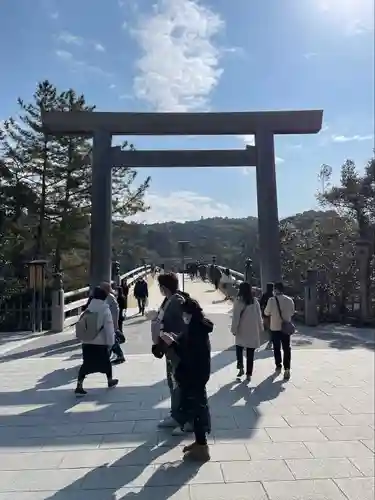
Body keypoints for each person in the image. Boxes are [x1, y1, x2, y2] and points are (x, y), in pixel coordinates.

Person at [153, 296, 213, 461]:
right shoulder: (197, 326)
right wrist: (175, 340)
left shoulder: (195, 330)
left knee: (197, 410)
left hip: (194, 375)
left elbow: (189, 355)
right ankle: (200, 443)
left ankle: (202, 447)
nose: (183, 318)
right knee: (196, 408)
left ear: (190, 314)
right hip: (196, 374)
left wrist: (172, 344)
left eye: (185, 314)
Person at [151, 272, 193, 435]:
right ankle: (176, 415)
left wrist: (174, 338)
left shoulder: (176, 301)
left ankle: (185, 418)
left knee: (179, 383)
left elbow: (184, 326)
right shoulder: (169, 300)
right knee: (173, 382)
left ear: (164, 287)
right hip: (169, 348)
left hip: (177, 349)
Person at [75, 286, 118, 396]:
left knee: (86, 364)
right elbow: (109, 327)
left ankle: (79, 384)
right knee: (106, 363)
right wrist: (111, 342)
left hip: (87, 341)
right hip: (100, 342)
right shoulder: (104, 309)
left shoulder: (88, 308)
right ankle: (110, 380)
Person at [231, 282, 263, 381]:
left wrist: (234, 329)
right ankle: (249, 374)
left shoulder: (239, 301)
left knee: (239, 348)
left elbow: (236, 317)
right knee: (250, 352)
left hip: (242, 329)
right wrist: (260, 328)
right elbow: (259, 316)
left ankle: (240, 368)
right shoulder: (254, 301)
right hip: (253, 330)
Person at [264, 282, 295, 380]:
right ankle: (287, 369)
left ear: (275, 290)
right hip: (286, 328)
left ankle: (278, 366)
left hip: (275, 328)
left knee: (277, 348)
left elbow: (266, 312)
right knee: (286, 348)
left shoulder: (271, 300)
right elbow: (292, 312)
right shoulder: (289, 300)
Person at [101, 282, 125, 365]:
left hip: (110, 322)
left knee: (111, 340)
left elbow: (116, 310)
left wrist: (115, 323)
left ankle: (119, 356)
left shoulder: (110, 297)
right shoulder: (105, 297)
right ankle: (117, 356)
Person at [260, 282, 274, 349]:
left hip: (266, 313)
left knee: (268, 326)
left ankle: (270, 337)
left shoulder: (265, 295)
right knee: (273, 326)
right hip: (273, 313)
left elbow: (261, 303)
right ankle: (272, 338)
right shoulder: (274, 295)